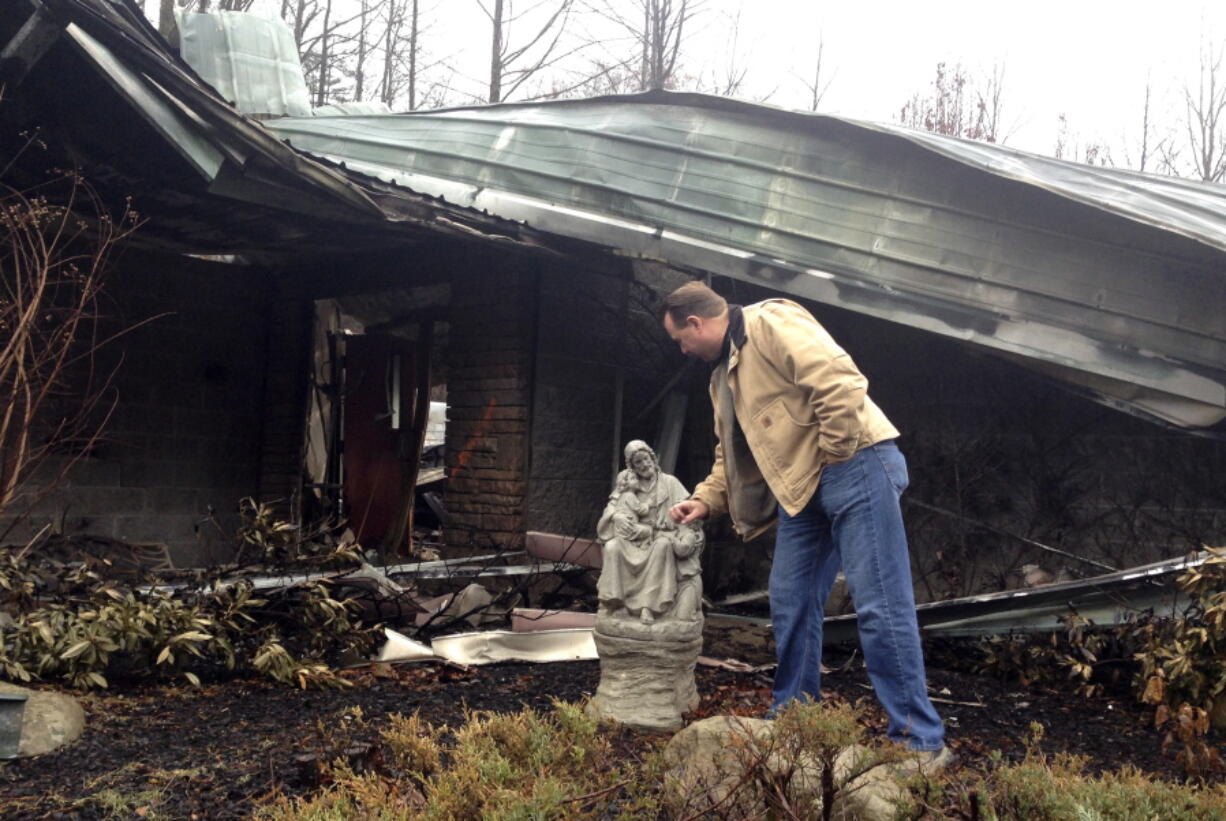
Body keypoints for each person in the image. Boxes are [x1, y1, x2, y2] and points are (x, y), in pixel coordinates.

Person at [662, 280, 949, 762]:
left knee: (880, 604)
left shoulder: (771, 321)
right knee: (790, 598)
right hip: (803, 491)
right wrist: (706, 500)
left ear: (696, 322)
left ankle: (919, 739)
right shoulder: (721, 379)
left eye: (680, 338)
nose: (682, 349)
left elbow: (840, 382)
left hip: (855, 464)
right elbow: (730, 454)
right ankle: (794, 714)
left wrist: (835, 454)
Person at [596, 440, 699, 624]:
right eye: (638, 463)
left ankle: (648, 607)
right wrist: (615, 517)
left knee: (663, 546)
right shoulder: (627, 486)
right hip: (633, 539)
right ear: (632, 467)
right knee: (612, 547)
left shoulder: (670, 483)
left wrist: (682, 532)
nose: (644, 465)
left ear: (653, 458)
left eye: (646, 459)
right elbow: (610, 509)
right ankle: (615, 603)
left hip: (658, 536)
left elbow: (690, 515)